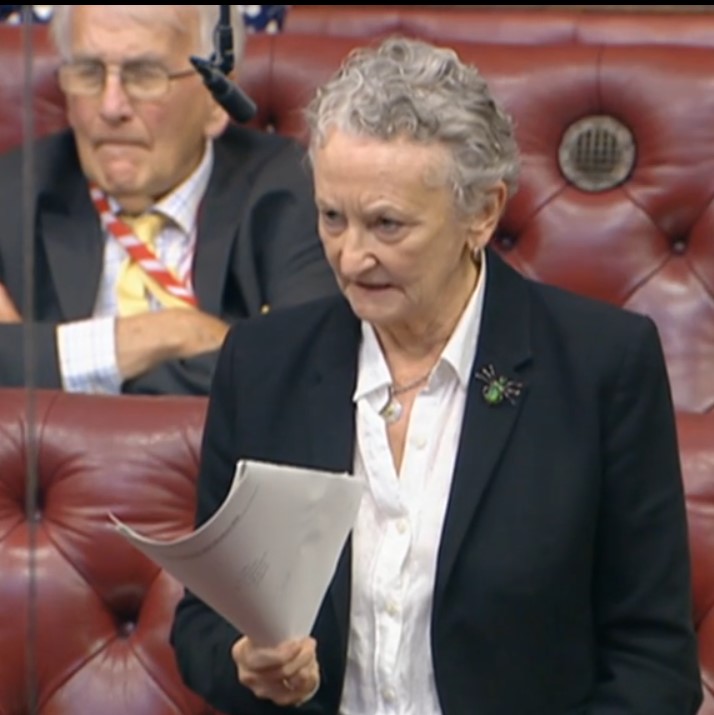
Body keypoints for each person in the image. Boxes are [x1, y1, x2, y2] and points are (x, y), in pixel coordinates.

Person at [170, 36, 702, 714]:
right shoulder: (264, 363)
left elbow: (653, 664)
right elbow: (203, 622)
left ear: (482, 213)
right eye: (332, 218)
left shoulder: (602, 367)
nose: (351, 257)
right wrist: (245, 663)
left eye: (387, 225)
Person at [0, 4, 336, 395]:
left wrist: (44, 363)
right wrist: (174, 333)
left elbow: (302, 368)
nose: (110, 107)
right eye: (89, 73)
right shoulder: (12, 193)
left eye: (145, 76)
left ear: (215, 97)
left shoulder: (294, 193)